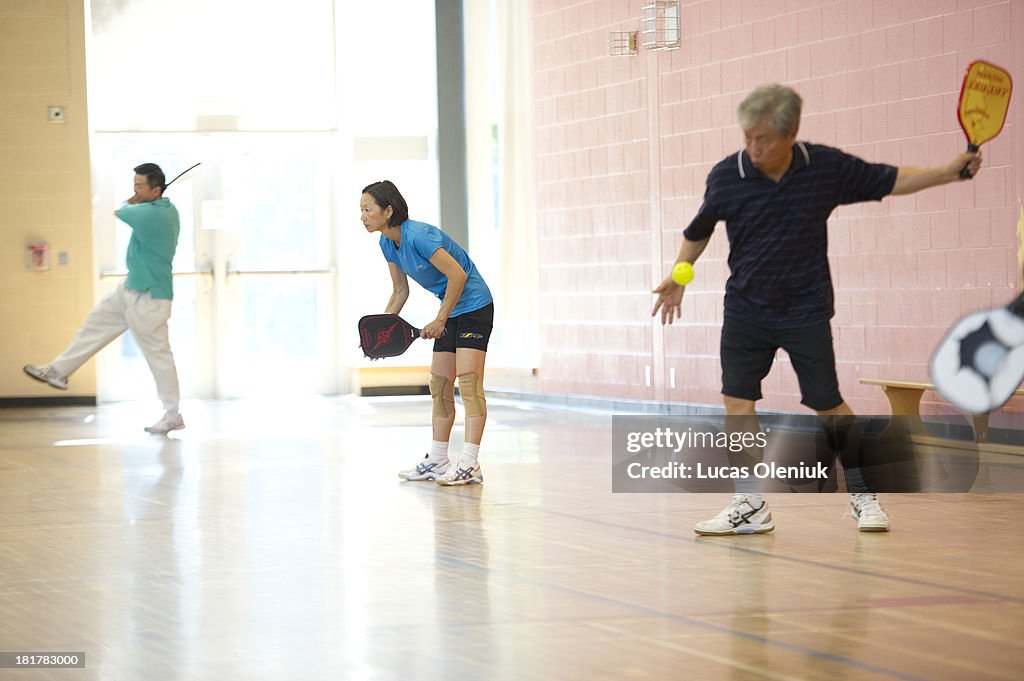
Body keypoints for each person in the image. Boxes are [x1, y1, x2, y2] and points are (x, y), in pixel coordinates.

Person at [652, 84, 983, 535]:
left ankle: (863, 497)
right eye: (747, 137)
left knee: (829, 404)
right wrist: (679, 272)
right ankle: (749, 504)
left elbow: (889, 178)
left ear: (792, 135)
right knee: (737, 402)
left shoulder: (823, 167)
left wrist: (948, 172)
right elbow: (700, 227)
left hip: (805, 309)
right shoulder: (727, 175)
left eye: (763, 139)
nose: (753, 148)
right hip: (746, 310)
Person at [24, 163, 185, 435]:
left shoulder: (157, 215)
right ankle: (58, 371)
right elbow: (130, 206)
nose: (134, 190)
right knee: (94, 325)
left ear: (156, 190)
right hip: (131, 288)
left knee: (158, 356)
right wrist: (138, 197)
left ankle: (172, 415)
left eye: (139, 186)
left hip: (150, 298)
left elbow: (121, 210)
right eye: (134, 185)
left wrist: (133, 199)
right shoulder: (155, 208)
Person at [361, 180, 494, 485]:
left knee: (470, 385)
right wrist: (381, 333)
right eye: (362, 210)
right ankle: (437, 459)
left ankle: (470, 462)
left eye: (368, 209)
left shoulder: (420, 235)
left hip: (474, 307)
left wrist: (439, 319)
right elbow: (399, 290)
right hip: (450, 310)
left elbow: (457, 275)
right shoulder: (386, 243)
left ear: (388, 210)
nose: (363, 216)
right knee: (440, 385)